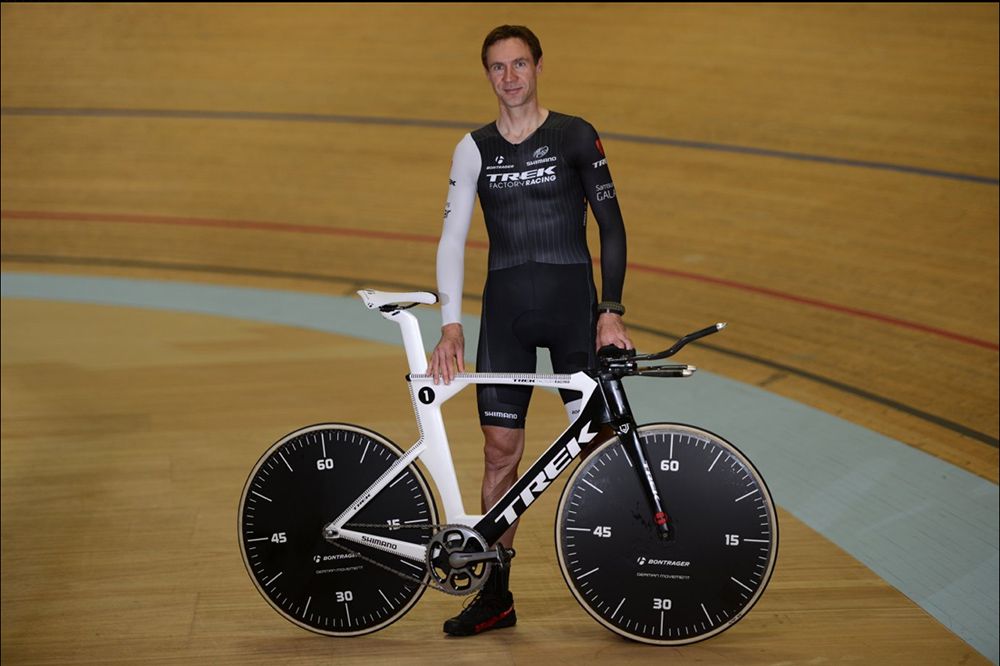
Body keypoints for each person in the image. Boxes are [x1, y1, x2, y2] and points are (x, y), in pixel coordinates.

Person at [429, 24, 633, 637]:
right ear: (487, 74)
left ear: (539, 67)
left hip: (574, 307)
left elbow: (612, 226)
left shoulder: (575, 135)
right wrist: (450, 325)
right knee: (499, 452)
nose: (510, 77)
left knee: (599, 443)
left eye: (520, 64)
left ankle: (627, 572)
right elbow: (451, 238)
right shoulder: (474, 148)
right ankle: (496, 595)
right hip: (507, 312)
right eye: (498, 67)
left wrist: (611, 310)